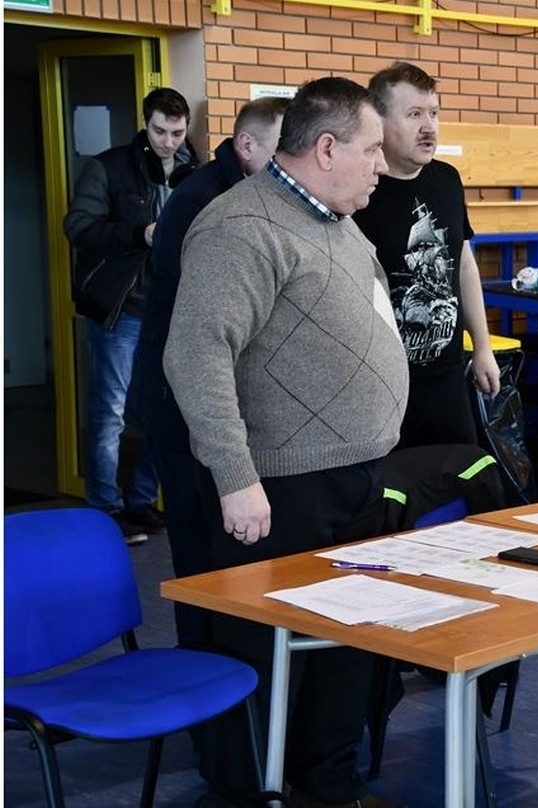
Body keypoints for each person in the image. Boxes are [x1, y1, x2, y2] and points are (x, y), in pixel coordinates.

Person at [164, 77, 406, 808]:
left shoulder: (340, 221)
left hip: (357, 473)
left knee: (345, 644)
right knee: (261, 650)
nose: (382, 164)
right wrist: (236, 476)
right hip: (279, 485)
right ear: (326, 149)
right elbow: (197, 355)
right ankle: (248, 790)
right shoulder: (242, 227)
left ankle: (329, 781)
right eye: (371, 149)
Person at [129, 96, 289, 648]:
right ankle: (202, 662)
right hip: (180, 398)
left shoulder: (245, 191)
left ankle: (232, 657)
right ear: (247, 145)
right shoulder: (205, 201)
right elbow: (197, 328)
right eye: (282, 148)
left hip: (212, 395)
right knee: (198, 544)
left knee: (225, 543)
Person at [63, 86, 198, 540]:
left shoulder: (195, 169)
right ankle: (105, 510)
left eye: (177, 133)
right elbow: (78, 227)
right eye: (160, 131)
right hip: (121, 308)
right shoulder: (108, 166)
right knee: (111, 412)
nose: (168, 142)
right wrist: (140, 234)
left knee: (160, 409)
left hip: (170, 309)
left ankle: (141, 502)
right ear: (145, 123)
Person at [354, 61, 500, 448]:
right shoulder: (358, 192)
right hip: (382, 385)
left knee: (461, 474)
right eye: (414, 114)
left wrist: (482, 347)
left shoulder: (447, 180)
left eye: (433, 113)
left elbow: (463, 265)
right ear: (379, 121)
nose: (429, 127)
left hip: (446, 377)